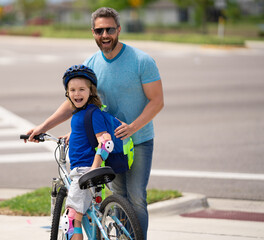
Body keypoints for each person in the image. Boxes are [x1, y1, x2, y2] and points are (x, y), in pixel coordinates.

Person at [26, 7, 164, 239]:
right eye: (99, 30)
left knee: (137, 197)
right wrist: (43, 128)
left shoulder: (141, 61)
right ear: (93, 32)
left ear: (118, 29)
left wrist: (132, 127)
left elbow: (157, 101)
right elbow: (75, 103)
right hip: (110, 144)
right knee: (118, 197)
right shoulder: (90, 64)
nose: (105, 35)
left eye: (110, 29)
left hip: (138, 140)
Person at [27, 64, 116, 240]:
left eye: (82, 89)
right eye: (72, 90)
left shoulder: (93, 113)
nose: (77, 94)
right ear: (67, 93)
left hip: (84, 172)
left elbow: (106, 143)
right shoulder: (82, 114)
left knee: (71, 219)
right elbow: (86, 129)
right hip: (86, 172)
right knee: (88, 216)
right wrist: (73, 135)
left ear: (91, 91)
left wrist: (93, 169)